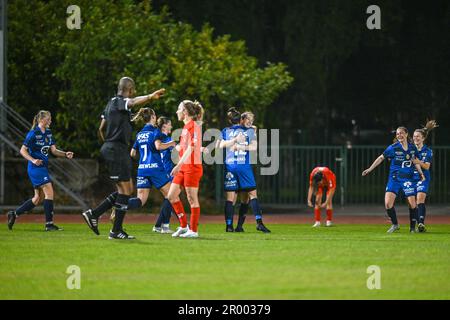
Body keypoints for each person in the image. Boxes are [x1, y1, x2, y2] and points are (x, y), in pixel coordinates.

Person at [82, 76, 165, 240]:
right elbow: (132, 102)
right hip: (117, 149)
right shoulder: (119, 101)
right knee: (126, 190)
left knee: (124, 190)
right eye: (133, 91)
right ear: (130, 90)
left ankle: (98, 217)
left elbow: (101, 128)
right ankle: (110, 226)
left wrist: (107, 144)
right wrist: (149, 97)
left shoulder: (110, 104)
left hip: (112, 148)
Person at [7, 110, 74, 231]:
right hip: (35, 168)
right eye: (48, 119)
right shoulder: (33, 133)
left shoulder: (48, 133)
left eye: (50, 118)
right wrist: (33, 160)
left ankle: (14, 214)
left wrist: (65, 154)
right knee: (50, 193)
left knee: (37, 198)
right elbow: (22, 150)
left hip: (42, 167)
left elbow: (53, 151)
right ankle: (49, 224)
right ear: (41, 120)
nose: (50, 121)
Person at [362, 126, 426, 233]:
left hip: (407, 179)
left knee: (412, 204)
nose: (399, 135)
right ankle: (395, 224)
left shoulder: (412, 148)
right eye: (397, 134)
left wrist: (421, 173)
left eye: (401, 133)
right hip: (394, 179)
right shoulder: (393, 148)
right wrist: (370, 169)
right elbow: (381, 158)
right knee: (388, 203)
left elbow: (415, 161)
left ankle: (412, 228)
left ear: (406, 134)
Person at [126, 108, 177, 234]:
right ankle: (167, 226)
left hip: (142, 170)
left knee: (140, 201)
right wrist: (171, 144)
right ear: (153, 117)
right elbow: (158, 146)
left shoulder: (139, 134)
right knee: (172, 194)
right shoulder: (155, 131)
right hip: (155, 169)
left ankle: (119, 205)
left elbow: (132, 153)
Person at [220, 109, 270, 233]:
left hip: (230, 167)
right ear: (241, 119)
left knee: (232, 198)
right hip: (243, 167)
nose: (250, 122)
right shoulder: (249, 131)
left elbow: (220, 145)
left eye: (252, 120)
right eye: (248, 119)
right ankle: (259, 222)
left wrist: (235, 143)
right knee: (252, 195)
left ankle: (231, 226)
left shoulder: (226, 131)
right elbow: (254, 147)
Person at [168, 100, 204, 238]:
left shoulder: (193, 126)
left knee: (192, 198)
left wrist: (178, 165)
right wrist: (175, 146)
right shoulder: (185, 128)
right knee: (171, 196)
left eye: (179, 109)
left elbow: (192, 148)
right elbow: (186, 148)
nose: (177, 111)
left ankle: (193, 230)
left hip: (192, 167)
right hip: (184, 167)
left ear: (185, 112)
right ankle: (184, 226)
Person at [411, 120, 438, 232]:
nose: (416, 138)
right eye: (414, 136)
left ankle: (421, 223)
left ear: (423, 138)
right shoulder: (410, 149)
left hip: (423, 177)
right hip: (410, 178)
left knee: (420, 199)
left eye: (418, 136)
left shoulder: (427, 151)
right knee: (412, 203)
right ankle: (415, 224)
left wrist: (417, 161)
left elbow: (426, 167)